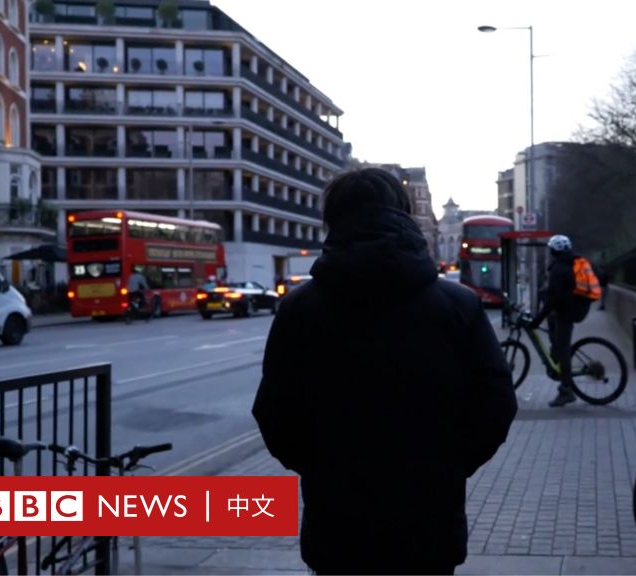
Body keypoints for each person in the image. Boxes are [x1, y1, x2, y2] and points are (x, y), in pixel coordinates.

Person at [252, 167, 518, 575]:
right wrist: (448, 465)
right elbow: (496, 401)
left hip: (337, 524)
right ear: (405, 216)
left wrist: (322, 469)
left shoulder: (300, 309)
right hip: (429, 522)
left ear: (332, 221)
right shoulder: (457, 306)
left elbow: (274, 412)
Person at [529, 234, 593, 408]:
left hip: (568, 312)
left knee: (563, 350)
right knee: (556, 342)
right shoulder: (573, 262)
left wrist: (537, 319)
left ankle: (567, 391)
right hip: (577, 308)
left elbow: (553, 300)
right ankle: (557, 358)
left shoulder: (559, 269)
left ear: (552, 251)